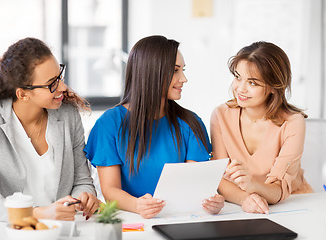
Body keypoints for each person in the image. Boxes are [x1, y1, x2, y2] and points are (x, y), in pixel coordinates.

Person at [85, 35, 225, 219]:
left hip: (181, 219)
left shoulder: (191, 123)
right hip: (132, 220)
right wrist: (138, 205)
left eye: (182, 70)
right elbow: (110, 190)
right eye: (175, 70)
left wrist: (211, 202)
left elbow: (195, 187)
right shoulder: (109, 124)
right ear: (151, 72)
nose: (184, 78)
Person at [0, 37, 100, 222]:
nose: (63, 87)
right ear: (23, 94)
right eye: (52, 83)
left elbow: (82, 181)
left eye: (60, 76)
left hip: (62, 230)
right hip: (10, 231)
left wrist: (83, 197)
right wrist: (39, 213)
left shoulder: (68, 115)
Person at [210, 41, 313, 214]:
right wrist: (245, 198)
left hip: (293, 205)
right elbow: (218, 178)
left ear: (274, 86)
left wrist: (252, 185)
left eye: (252, 83)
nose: (240, 89)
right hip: (242, 204)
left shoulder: (293, 123)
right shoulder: (221, 115)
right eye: (238, 77)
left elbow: (279, 190)